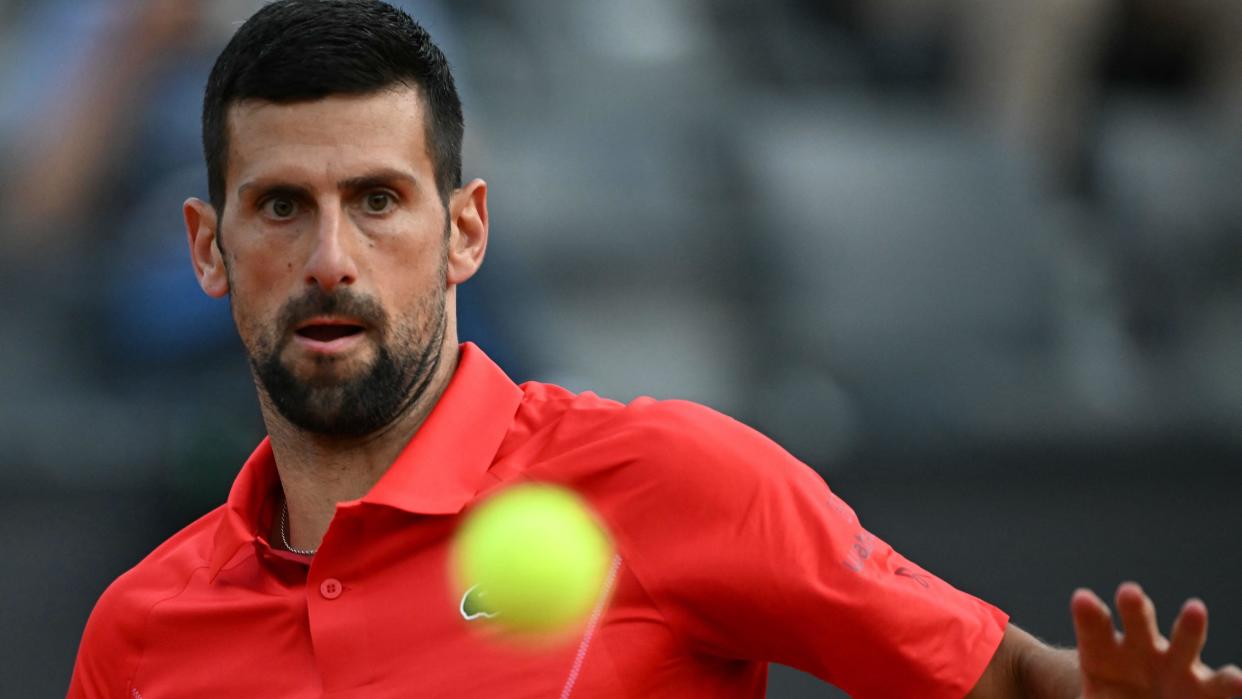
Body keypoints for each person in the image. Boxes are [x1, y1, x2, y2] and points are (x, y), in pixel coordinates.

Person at [67, 1, 1242, 697]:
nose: (331, 257)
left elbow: (1016, 683)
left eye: (378, 200)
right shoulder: (138, 633)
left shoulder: (677, 478)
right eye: (280, 207)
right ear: (206, 248)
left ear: (464, 231)